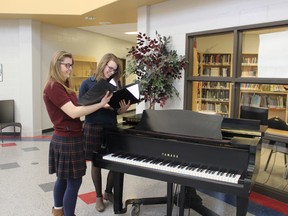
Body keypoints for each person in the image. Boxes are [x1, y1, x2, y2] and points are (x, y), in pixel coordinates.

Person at [43, 50, 112, 216]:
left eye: (71, 65)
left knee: (63, 178)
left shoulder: (62, 86)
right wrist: (100, 104)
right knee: (74, 181)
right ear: (56, 65)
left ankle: (58, 211)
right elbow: (74, 112)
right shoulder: (54, 87)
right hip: (66, 139)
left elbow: (77, 106)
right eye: (66, 65)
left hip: (69, 137)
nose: (70, 69)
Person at [78, 53, 130, 212]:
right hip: (93, 126)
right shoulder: (88, 83)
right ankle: (99, 197)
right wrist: (101, 105)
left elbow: (116, 109)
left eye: (114, 70)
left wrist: (122, 110)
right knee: (97, 163)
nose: (111, 72)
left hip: (111, 127)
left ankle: (108, 192)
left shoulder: (116, 84)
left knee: (117, 161)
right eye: (110, 68)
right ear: (103, 65)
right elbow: (81, 107)